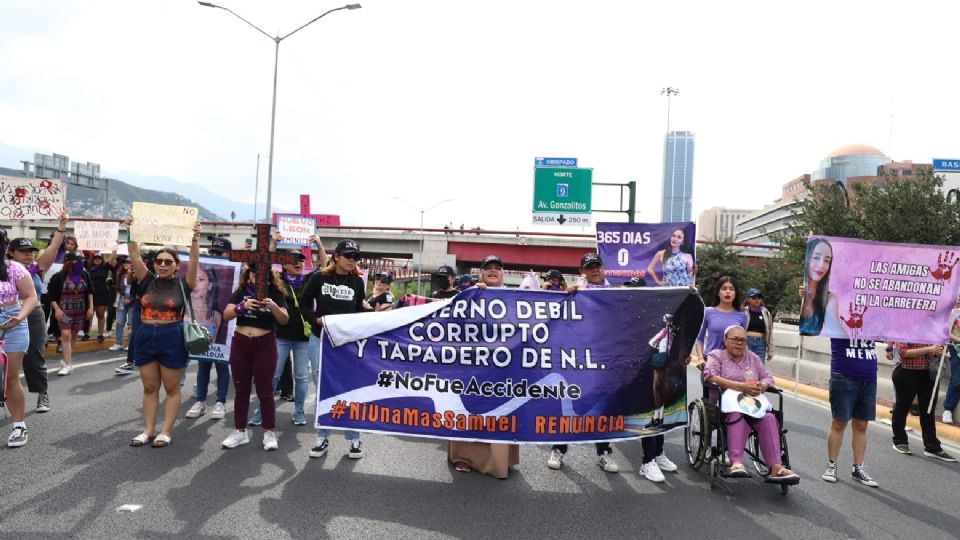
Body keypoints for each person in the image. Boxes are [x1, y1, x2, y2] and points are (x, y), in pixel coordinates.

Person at [125, 218, 200, 448]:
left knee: (171, 388)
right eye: (159, 261)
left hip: (172, 337)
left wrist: (195, 239)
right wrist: (131, 230)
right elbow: (135, 256)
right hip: (145, 334)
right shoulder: (146, 280)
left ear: (177, 265)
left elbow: (194, 260)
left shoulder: (183, 284)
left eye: (169, 261)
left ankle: (166, 431)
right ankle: (148, 429)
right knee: (149, 387)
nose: (163, 265)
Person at [546, 253, 619, 474]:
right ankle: (558, 449)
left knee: (603, 408)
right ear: (582, 272)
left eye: (598, 266)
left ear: (604, 270)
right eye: (590, 268)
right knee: (567, 402)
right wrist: (564, 296)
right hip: (577, 358)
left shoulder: (617, 294)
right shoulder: (576, 292)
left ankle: (603, 453)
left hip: (605, 358)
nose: (595, 270)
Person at [449, 254, 521, 478]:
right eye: (487, 267)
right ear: (480, 273)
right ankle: (463, 457)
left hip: (503, 369)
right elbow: (452, 321)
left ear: (502, 273)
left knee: (500, 413)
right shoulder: (470, 294)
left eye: (497, 268)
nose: (492, 271)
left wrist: (570, 297)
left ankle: (499, 461)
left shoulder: (517, 298)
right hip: (473, 367)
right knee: (469, 410)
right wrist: (471, 296)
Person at [300, 239, 368, 459]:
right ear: (336, 256)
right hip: (320, 340)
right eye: (348, 255)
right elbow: (303, 302)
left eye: (356, 257)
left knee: (349, 390)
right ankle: (322, 437)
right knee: (323, 391)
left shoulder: (357, 282)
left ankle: (354, 439)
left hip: (346, 345)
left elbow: (359, 310)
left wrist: (372, 311)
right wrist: (315, 320)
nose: (352, 260)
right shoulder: (320, 277)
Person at [705, 325, 799, 481]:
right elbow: (710, 376)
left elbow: (768, 378)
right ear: (725, 340)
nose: (740, 343)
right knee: (737, 415)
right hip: (727, 405)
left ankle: (776, 467)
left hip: (753, 405)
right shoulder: (717, 355)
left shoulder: (753, 357)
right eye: (735, 339)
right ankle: (736, 463)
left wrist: (762, 385)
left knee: (769, 418)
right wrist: (740, 386)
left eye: (743, 340)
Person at [220, 264, 289, 451]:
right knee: (241, 389)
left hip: (265, 344)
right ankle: (240, 431)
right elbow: (226, 315)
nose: (257, 277)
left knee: (265, 390)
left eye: (262, 274)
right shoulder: (241, 292)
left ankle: (268, 432)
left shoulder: (275, 293)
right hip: (241, 343)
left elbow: (284, 319)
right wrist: (242, 307)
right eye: (253, 273)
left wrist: (273, 306)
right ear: (248, 275)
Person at [7, 212, 67, 413]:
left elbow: (53, 247)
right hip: (6, 314)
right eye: (23, 251)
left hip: (32, 314)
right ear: (10, 252)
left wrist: (61, 226)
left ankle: (42, 393)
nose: (28, 254)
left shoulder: (37, 267)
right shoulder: (4, 269)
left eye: (31, 250)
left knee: (34, 355)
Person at [250, 250, 315, 427]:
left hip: (303, 338)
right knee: (272, 376)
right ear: (284, 264)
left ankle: (299, 411)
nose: (299, 263)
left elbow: (325, 266)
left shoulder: (310, 280)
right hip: (280, 336)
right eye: (294, 260)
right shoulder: (277, 281)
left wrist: (318, 243)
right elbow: (260, 266)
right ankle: (261, 412)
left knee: (301, 377)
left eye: (301, 260)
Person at [623, 276, 678, 482]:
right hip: (632, 371)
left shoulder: (652, 315)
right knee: (648, 409)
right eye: (629, 289)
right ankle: (647, 460)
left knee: (658, 407)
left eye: (636, 289)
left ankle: (655, 454)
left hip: (655, 367)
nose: (632, 293)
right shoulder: (620, 313)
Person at [0, 230, 41, 447]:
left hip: (13, 322)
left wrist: (19, 317)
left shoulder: (14, 268)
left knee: (11, 377)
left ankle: (19, 427)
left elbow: (31, 296)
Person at [821, 338, 880, 487]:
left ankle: (858, 467)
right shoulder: (838, 317)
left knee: (861, 425)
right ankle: (831, 466)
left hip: (869, 377)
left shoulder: (873, 318)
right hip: (844, 374)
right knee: (839, 422)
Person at [890, 342, 957, 461]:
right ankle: (900, 441)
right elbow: (903, 353)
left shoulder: (934, 329)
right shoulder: (905, 326)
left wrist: (939, 351)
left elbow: (939, 350)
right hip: (907, 371)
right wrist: (929, 349)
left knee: (928, 411)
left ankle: (932, 447)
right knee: (902, 407)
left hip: (929, 373)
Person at [184, 265, 228, 421]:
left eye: (201, 279)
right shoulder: (185, 310)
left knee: (221, 366)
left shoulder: (216, 314)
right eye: (193, 279)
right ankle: (200, 401)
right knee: (203, 366)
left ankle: (220, 402)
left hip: (216, 349)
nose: (196, 284)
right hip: (196, 350)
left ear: (210, 285)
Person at [47, 252, 93, 376]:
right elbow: (51, 295)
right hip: (65, 310)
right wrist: (57, 309)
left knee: (73, 335)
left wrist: (90, 308)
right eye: (78, 261)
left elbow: (90, 292)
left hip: (80, 310)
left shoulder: (84, 274)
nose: (80, 263)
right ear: (69, 262)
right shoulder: (58, 276)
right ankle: (68, 364)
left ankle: (67, 360)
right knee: (65, 334)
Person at [689, 276, 748, 370]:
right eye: (724, 289)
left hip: (733, 364)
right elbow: (699, 338)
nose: (728, 291)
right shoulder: (707, 312)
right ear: (718, 293)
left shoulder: (742, 316)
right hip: (710, 361)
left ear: (735, 294)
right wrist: (700, 358)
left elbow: (743, 342)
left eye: (731, 289)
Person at [799, 238, 842, 336]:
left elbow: (837, 331)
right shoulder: (799, 290)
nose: (821, 265)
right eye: (816, 257)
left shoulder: (829, 298)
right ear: (808, 258)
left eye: (827, 260)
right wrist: (801, 299)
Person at [87, 252, 116, 343]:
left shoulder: (105, 266)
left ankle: (100, 334)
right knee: (89, 314)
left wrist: (114, 249)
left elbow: (112, 259)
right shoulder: (88, 266)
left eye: (99, 258)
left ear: (102, 259)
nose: (97, 259)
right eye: (95, 258)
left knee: (100, 314)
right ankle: (86, 333)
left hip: (101, 293)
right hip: (90, 293)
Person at [109, 258, 134, 352]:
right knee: (119, 322)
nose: (126, 264)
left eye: (128, 262)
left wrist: (131, 299)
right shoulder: (120, 274)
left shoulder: (137, 274)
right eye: (124, 263)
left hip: (133, 300)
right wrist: (118, 296)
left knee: (131, 323)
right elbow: (118, 287)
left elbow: (140, 289)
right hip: (122, 298)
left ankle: (131, 344)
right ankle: (118, 343)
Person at [743, 288, 774, 363]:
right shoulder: (743, 312)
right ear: (748, 299)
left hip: (761, 343)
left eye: (759, 297)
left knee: (760, 367)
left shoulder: (766, 313)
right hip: (747, 342)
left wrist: (770, 350)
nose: (757, 300)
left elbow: (769, 332)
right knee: (746, 366)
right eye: (754, 298)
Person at [942, 297, 960, 424]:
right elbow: (947, 333)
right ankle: (948, 409)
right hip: (956, 350)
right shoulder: (955, 313)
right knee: (957, 380)